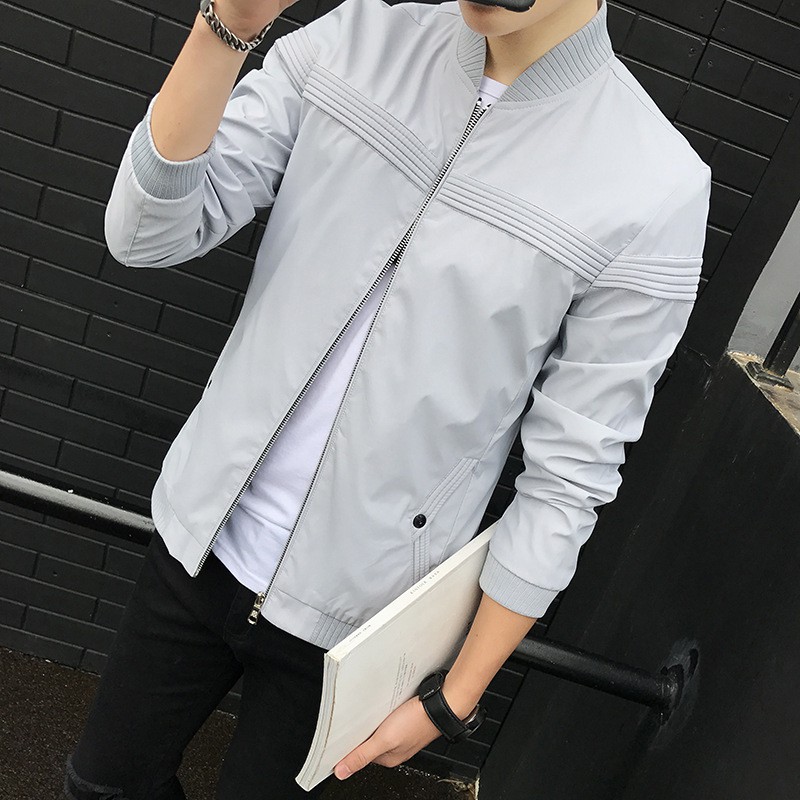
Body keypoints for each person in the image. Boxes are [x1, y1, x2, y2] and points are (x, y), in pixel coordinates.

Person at [65, 0, 712, 796]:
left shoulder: (653, 185)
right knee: (101, 786)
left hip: (361, 623)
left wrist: (455, 696)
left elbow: (570, 476)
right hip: (200, 536)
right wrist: (224, 30)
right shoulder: (362, 35)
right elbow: (147, 235)